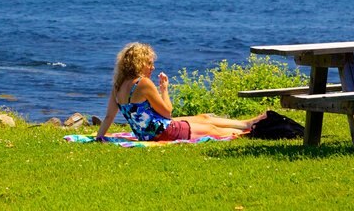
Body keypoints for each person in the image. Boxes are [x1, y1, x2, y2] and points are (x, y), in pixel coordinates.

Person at [95, 42, 266, 141]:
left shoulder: (117, 86)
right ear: (138, 64)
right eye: (149, 63)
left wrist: (99, 138)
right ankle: (253, 130)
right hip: (163, 131)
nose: (152, 67)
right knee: (211, 128)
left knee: (204, 118)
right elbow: (167, 113)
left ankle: (247, 123)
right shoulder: (144, 83)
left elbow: (109, 116)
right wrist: (164, 89)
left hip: (147, 134)